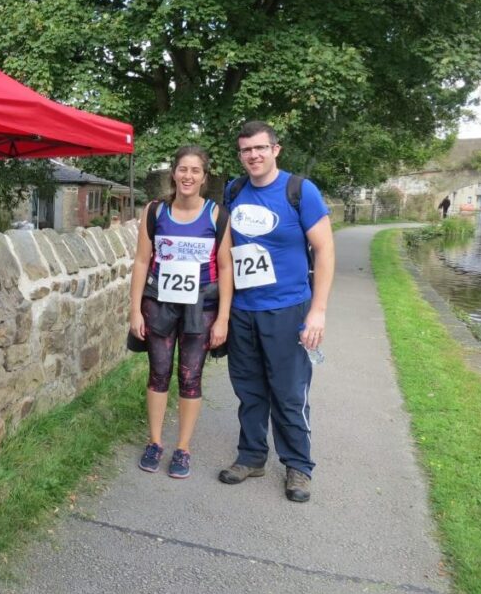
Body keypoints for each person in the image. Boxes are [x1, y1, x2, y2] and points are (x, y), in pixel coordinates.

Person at [219, 121, 334, 503]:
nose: (253, 155)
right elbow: (226, 252)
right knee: (249, 389)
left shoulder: (300, 191)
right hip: (243, 310)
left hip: (288, 308)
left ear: (275, 149)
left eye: (260, 148)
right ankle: (251, 457)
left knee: (288, 391)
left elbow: (325, 250)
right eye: (246, 150)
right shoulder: (234, 191)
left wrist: (317, 311)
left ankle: (298, 466)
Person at [129, 145, 232, 479]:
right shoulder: (156, 212)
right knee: (158, 373)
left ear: (204, 177)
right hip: (158, 302)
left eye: (195, 171)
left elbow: (226, 267)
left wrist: (223, 318)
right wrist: (134, 311)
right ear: (173, 173)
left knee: (190, 377)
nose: (188, 176)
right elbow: (142, 262)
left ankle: (183, 449)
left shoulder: (217, 214)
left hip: (201, 306)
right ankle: (155, 442)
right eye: (182, 169)